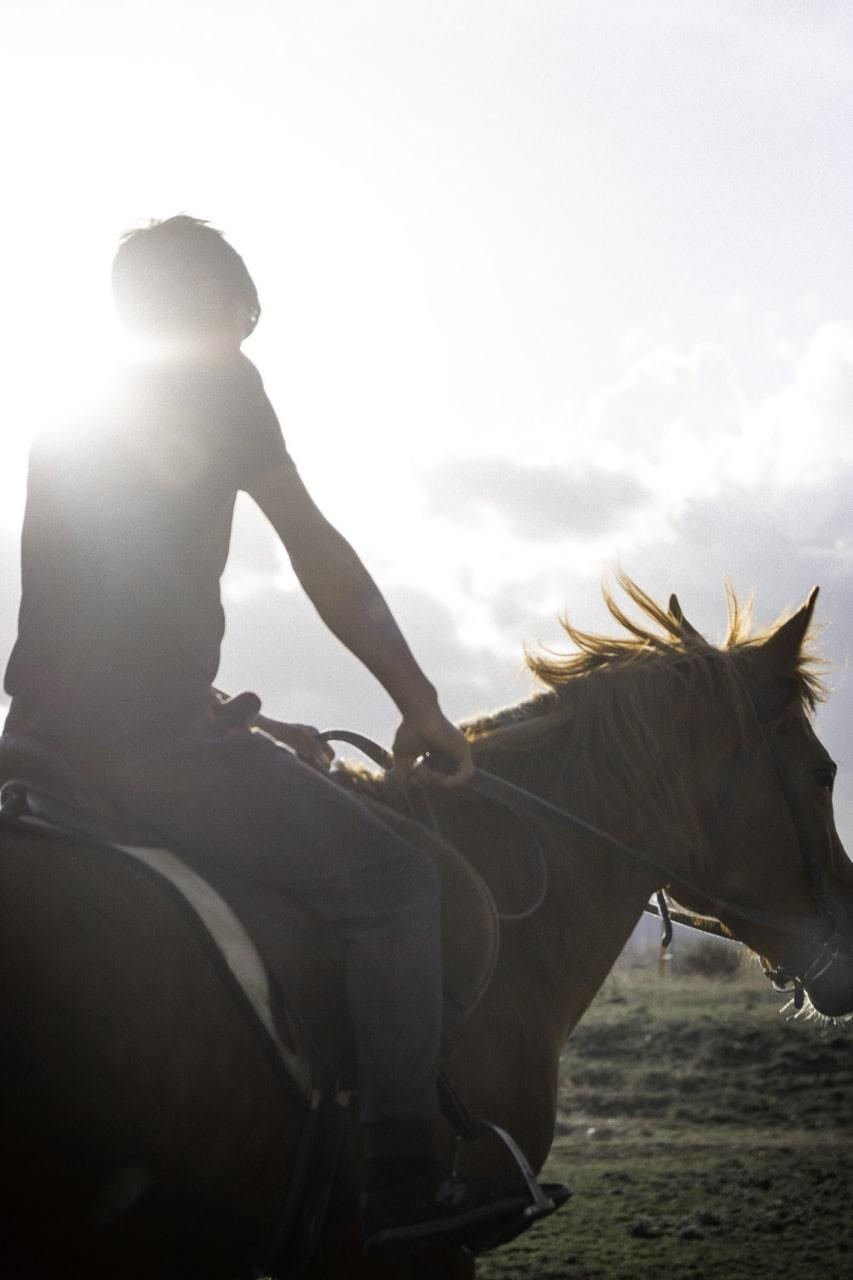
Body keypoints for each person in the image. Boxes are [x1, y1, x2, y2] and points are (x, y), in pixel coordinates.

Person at [2, 216, 546, 1254]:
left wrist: (225, 710)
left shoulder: (66, 413)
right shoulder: (218, 385)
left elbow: (99, 620)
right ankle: (397, 1177)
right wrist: (420, 698)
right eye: (240, 315)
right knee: (394, 884)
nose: (245, 339)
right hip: (148, 743)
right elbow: (318, 553)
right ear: (205, 303)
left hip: (43, 734)